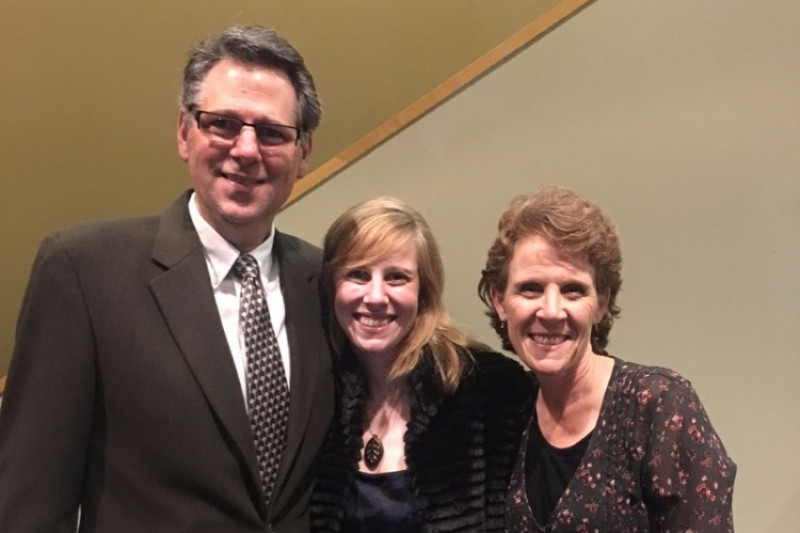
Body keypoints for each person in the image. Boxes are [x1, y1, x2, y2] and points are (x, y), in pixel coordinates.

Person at [0, 25, 334, 532]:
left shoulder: (328, 283)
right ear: (184, 132)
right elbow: (29, 501)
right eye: (223, 124)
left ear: (304, 153)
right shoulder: (84, 271)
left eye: (271, 132)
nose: (246, 149)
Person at [477, 186, 736, 532]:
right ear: (499, 301)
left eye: (572, 290)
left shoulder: (659, 407)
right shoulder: (508, 414)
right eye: (530, 288)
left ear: (600, 304)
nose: (551, 311)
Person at [310, 197, 533, 533]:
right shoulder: (318, 393)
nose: (375, 296)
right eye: (358, 274)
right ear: (332, 286)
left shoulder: (489, 387)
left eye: (396, 277)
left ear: (424, 291)